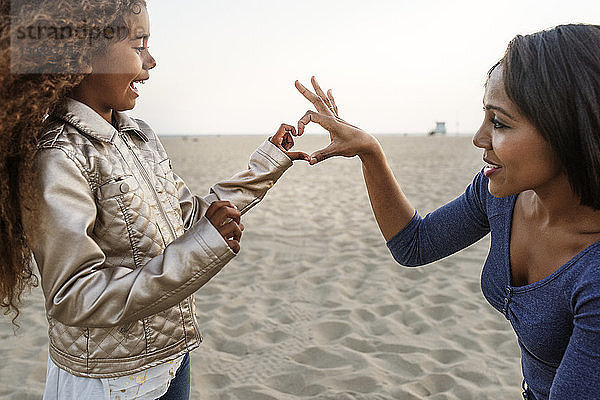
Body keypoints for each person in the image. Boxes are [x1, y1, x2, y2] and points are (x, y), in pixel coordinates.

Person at [0, 1, 309, 399]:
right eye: (139, 44)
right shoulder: (58, 157)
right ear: (85, 53)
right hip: (115, 380)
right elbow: (75, 295)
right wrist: (205, 248)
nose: (152, 61)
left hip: (173, 358)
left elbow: (196, 217)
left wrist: (271, 160)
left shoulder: (140, 136)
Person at [295, 24, 600, 400]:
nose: (478, 138)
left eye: (499, 122)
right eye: (485, 116)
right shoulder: (503, 195)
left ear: (566, 129)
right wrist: (369, 151)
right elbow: (414, 244)